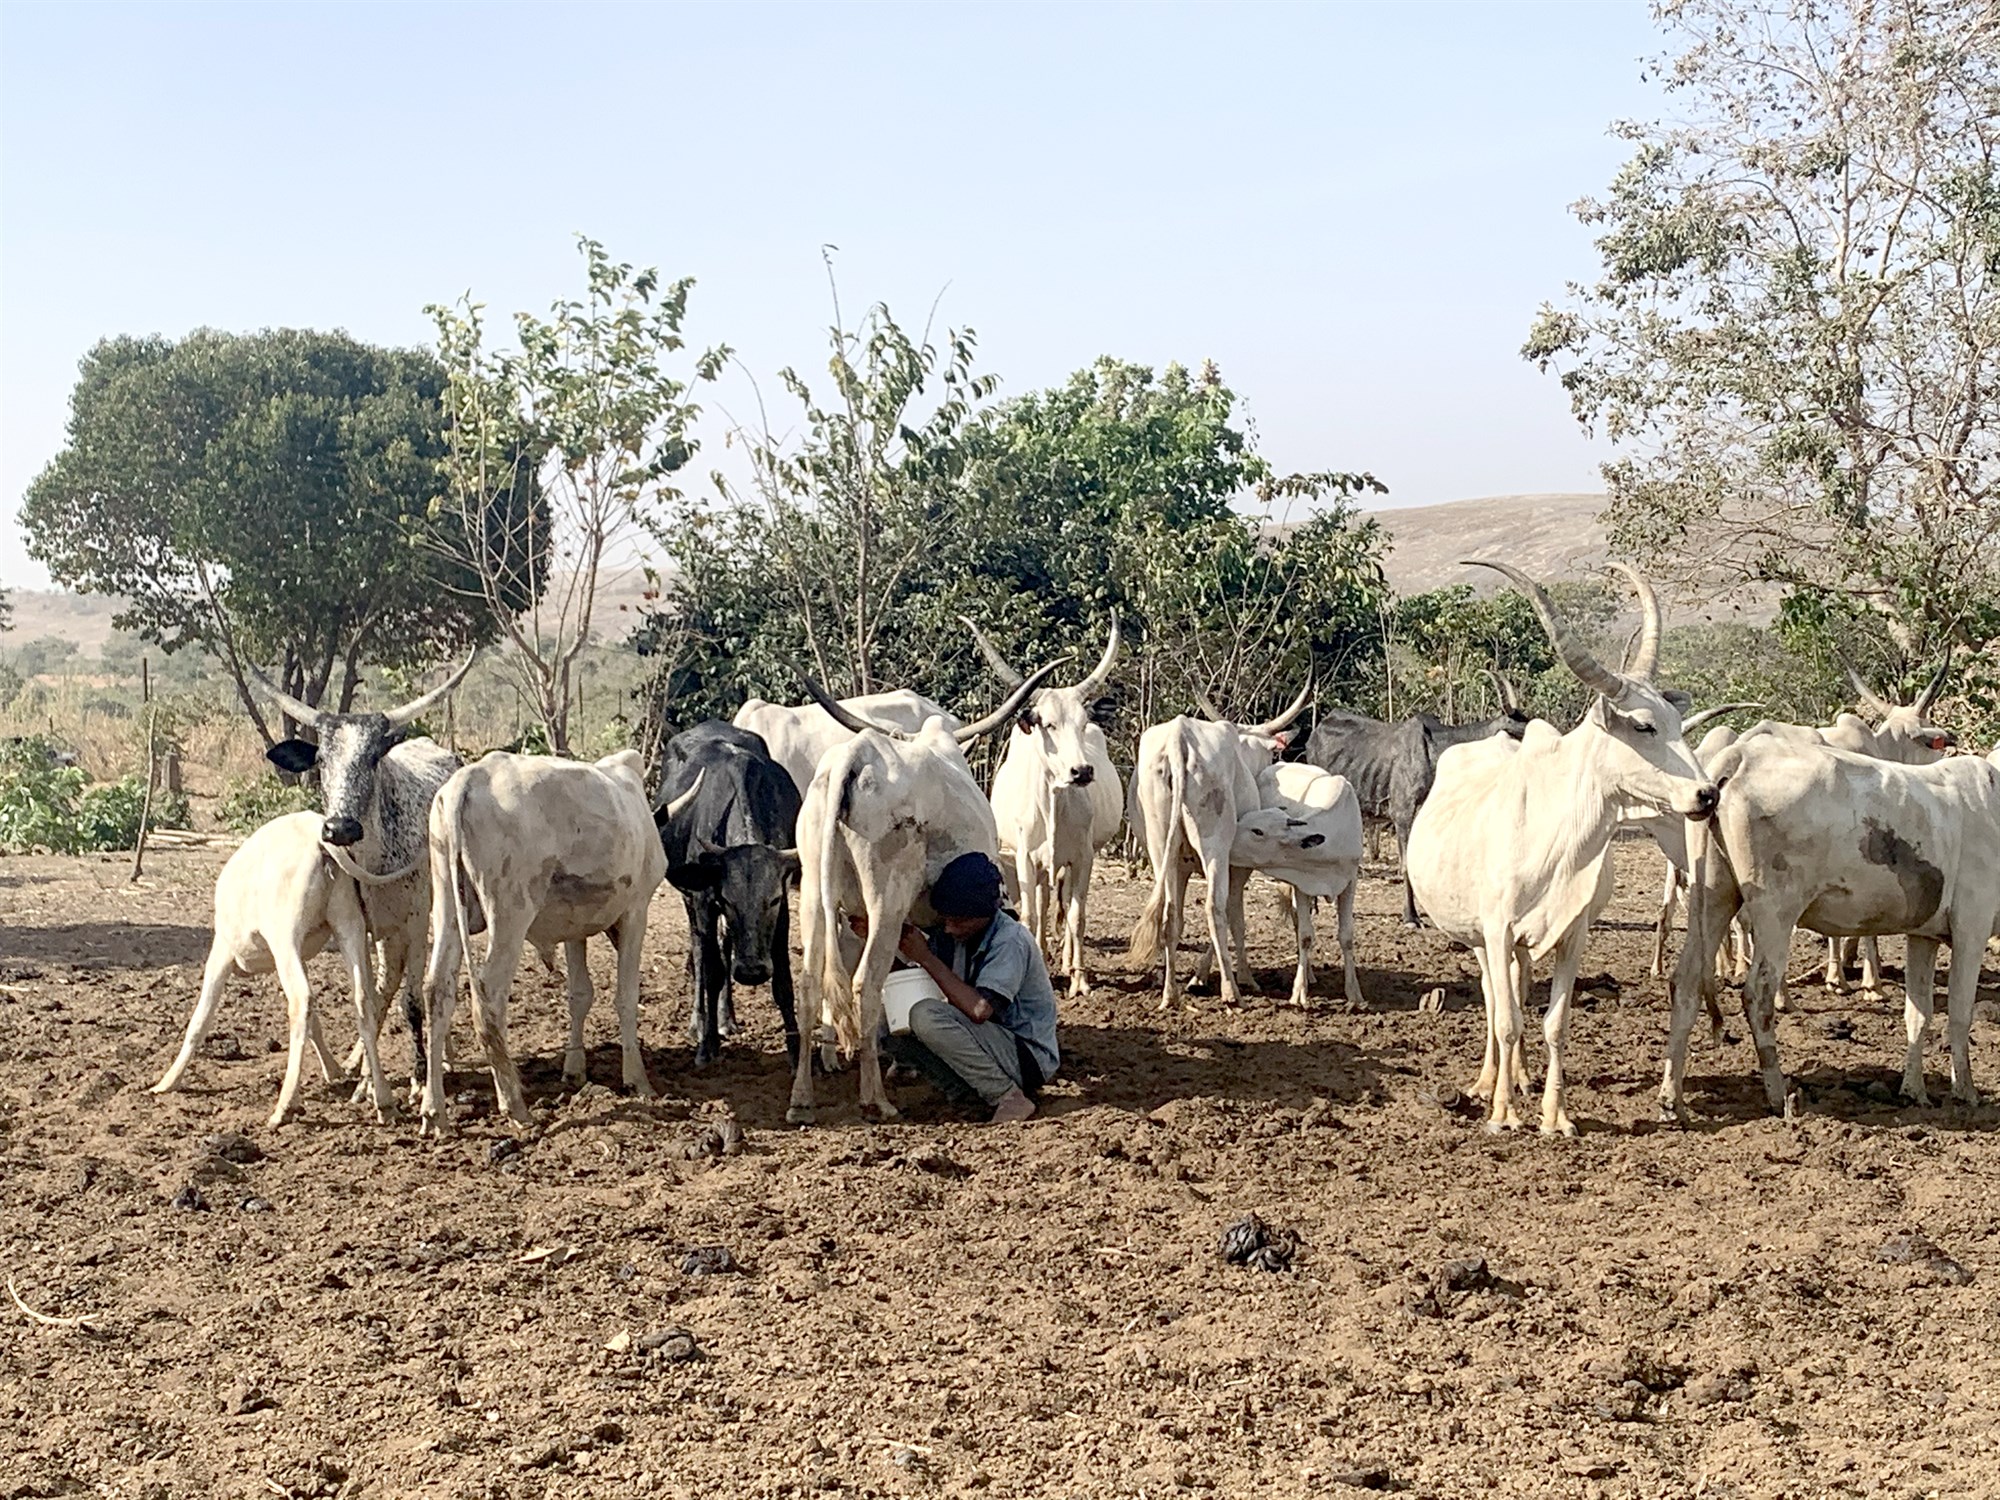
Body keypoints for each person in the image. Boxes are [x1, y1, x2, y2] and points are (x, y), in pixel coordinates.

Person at [880, 851, 1058, 1124]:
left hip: (1024, 1055)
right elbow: (917, 985)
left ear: (984, 914)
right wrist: (884, 943)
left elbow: (980, 1009)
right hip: (988, 1042)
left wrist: (925, 956)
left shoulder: (1010, 940)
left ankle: (1008, 1096)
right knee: (889, 1023)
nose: (949, 929)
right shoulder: (960, 935)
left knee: (926, 1016)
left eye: (958, 921)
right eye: (946, 920)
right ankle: (964, 1094)